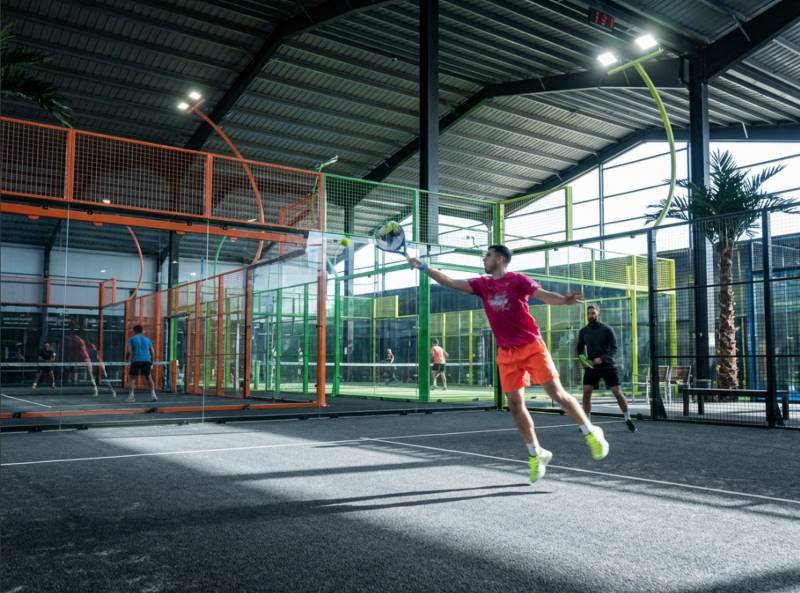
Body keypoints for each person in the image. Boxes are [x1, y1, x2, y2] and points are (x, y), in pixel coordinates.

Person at [407, 245, 609, 483]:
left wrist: (564, 300)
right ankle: (537, 454)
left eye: (488, 255)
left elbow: (543, 295)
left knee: (556, 392)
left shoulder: (517, 280)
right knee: (514, 404)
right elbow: (451, 282)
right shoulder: (482, 284)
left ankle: (591, 431)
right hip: (506, 353)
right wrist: (423, 266)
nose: (484, 259)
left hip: (532, 346)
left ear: (500, 259)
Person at [578, 304, 637, 432]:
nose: (591, 315)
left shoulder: (607, 329)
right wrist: (582, 360)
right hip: (591, 367)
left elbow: (614, 348)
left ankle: (628, 419)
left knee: (617, 392)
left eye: (593, 313)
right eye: (589, 313)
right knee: (586, 393)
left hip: (608, 365)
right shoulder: (583, 331)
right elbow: (579, 348)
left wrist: (602, 358)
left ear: (598, 313)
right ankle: (587, 423)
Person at [126, 325, 158, 403]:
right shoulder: (147, 340)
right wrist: (152, 363)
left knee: (132, 378)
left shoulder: (131, 339)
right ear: (142, 331)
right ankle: (153, 395)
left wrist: (127, 359)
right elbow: (152, 352)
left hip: (136, 360)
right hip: (147, 360)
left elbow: (129, 352)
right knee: (149, 378)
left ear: (134, 331)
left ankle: (131, 397)